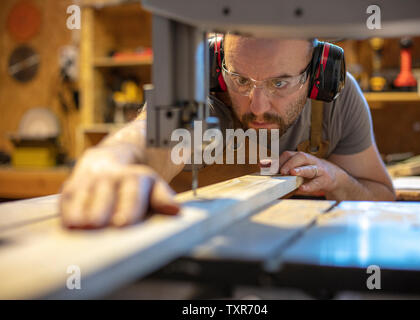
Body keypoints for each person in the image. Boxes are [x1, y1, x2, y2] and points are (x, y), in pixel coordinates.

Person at [60, 34, 395, 229]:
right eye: (241, 81)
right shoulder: (197, 86)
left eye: (280, 83)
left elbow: (382, 197)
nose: (258, 105)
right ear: (217, 64)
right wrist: (116, 155)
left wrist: (337, 178)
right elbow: (155, 133)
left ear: (318, 73)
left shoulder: (339, 98)